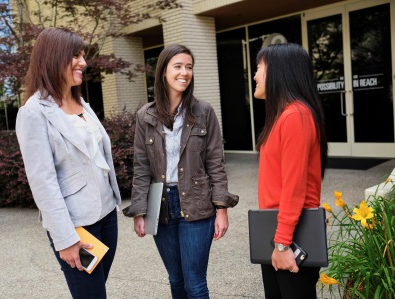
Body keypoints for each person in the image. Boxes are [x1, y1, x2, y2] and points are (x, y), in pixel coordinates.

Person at [123, 44, 239, 298]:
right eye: (178, 66)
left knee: (195, 284)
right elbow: (141, 167)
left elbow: (216, 164)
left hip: (197, 203)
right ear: (163, 71)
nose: (184, 73)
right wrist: (139, 211)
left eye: (189, 67)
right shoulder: (145, 115)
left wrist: (222, 209)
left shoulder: (204, 112)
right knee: (176, 280)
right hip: (161, 204)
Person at [16, 27, 121, 299]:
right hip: (76, 225)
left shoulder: (81, 102)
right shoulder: (33, 112)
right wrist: (65, 239)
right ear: (53, 57)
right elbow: (43, 182)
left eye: (83, 55)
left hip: (107, 215)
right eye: (76, 55)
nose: (84, 63)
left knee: (98, 289)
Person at [253, 43, 328, 298]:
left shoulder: (296, 115)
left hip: (291, 238)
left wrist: (283, 243)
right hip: (276, 232)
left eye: (259, 68)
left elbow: (294, 187)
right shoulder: (283, 115)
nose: (254, 76)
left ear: (278, 72)